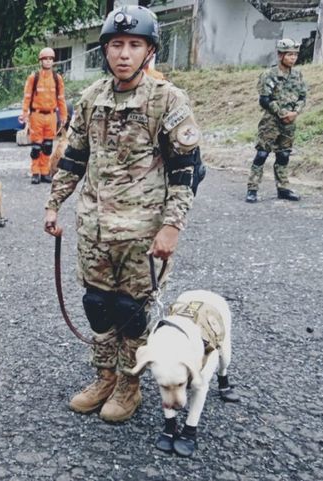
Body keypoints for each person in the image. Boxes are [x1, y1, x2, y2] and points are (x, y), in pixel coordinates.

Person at [43, 5, 201, 428]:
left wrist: (172, 226)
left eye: (135, 45)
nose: (124, 54)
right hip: (93, 226)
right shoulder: (92, 97)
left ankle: (129, 385)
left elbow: (187, 171)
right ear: (106, 50)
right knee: (97, 306)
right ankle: (104, 377)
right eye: (117, 45)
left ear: (149, 51)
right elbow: (74, 157)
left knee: (131, 309)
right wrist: (54, 203)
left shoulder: (168, 100)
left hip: (142, 233)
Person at [246, 38, 307, 203]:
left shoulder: (298, 75)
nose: (293, 58)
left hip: (289, 123)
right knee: (262, 154)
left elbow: (303, 96)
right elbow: (264, 99)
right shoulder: (269, 74)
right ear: (280, 55)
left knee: (284, 155)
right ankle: (252, 189)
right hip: (271, 122)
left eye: (295, 55)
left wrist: (295, 112)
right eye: (289, 55)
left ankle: (283, 188)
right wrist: (281, 113)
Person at [20, 47, 67, 184]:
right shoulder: (33, 78)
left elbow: (61, 98)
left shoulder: (57, 79)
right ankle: (35, 172)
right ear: (41, 61)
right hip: (37, 116)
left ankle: (45, 172)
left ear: (53, 61)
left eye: (50, 59)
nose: (48, 61)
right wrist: (24, 113)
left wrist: (64, 116)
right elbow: (27, 97)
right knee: (36, 147)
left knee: (47, 146)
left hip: (51, 116)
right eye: (45, 59)